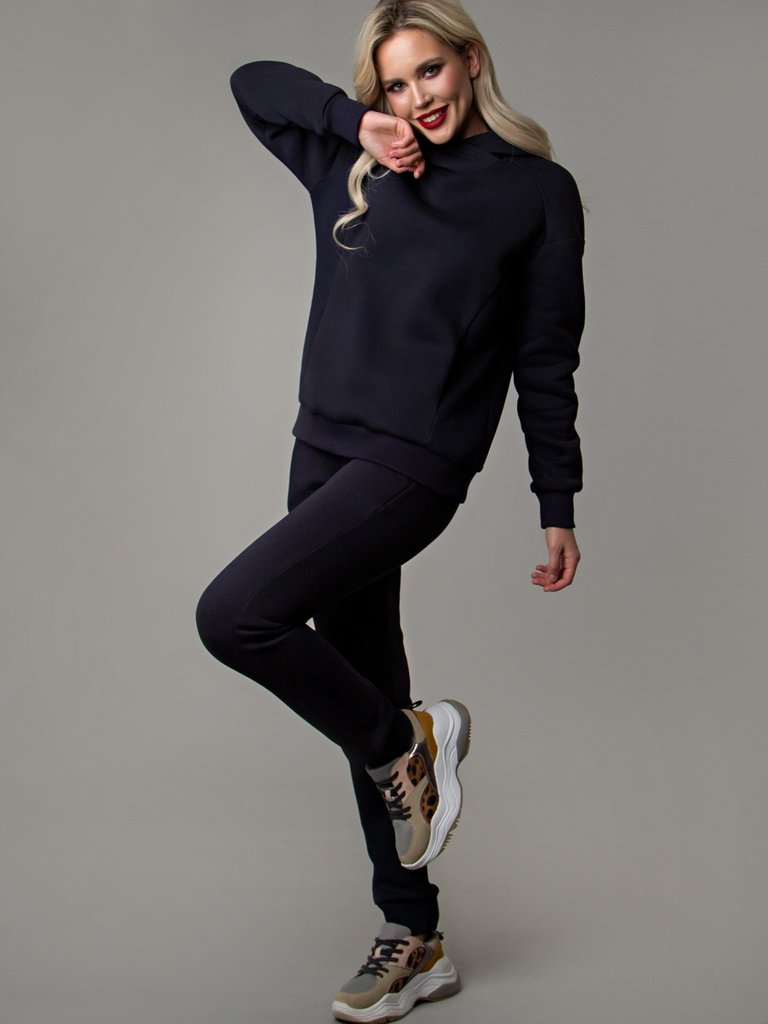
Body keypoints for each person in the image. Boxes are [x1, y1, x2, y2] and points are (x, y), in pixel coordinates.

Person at [195, 0, 585, 1020]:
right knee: (361, 679)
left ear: (471, 60)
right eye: (396, 83)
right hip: (321, 445)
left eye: (430, 72)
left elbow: (546, 358)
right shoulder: (354, 159)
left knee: (234, 616)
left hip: (413, 462)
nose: (417, 99)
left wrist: (557, 497)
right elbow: (251, 83)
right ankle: (415, 933)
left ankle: (407, 739)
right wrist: (351, 119)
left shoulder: (535, 193)